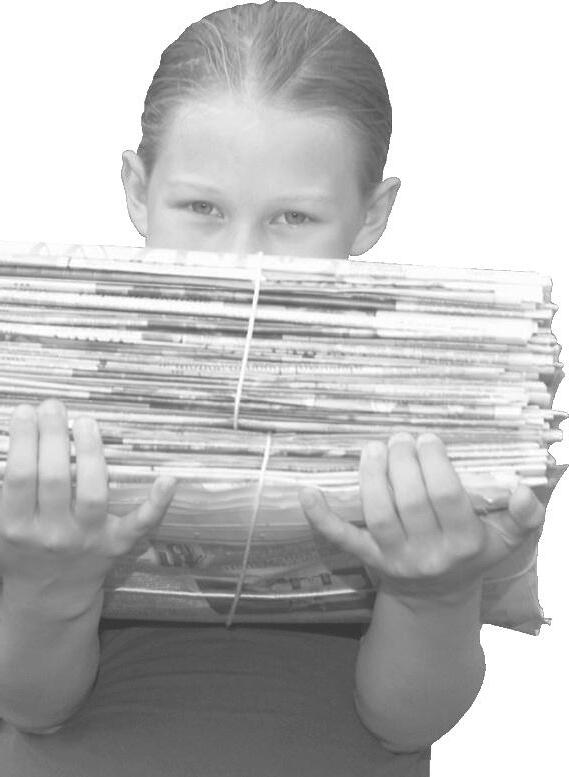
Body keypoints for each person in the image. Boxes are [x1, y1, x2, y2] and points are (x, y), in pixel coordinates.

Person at [0, 2, 547, 775]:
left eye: (293, 217)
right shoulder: (37, 392)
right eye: (201, 207)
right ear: (137, 189)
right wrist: (47, 586)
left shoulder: (438, 415)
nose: (241, 262)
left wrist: (434, 596)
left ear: (371, 215)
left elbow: (406, 722)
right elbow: (31, 705)